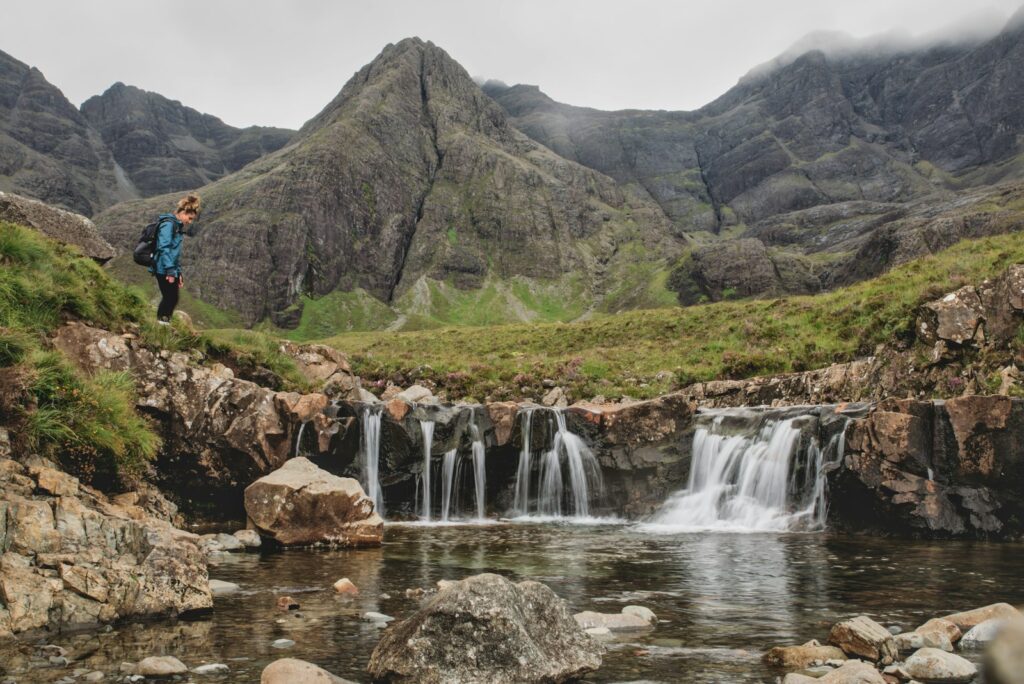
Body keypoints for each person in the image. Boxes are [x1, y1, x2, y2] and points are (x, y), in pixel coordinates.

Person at [152, 193, 201, 324]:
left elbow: (175, 254)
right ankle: (161, 325)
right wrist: (170, 271)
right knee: (170, 297)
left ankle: (163, 324)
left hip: (169, 268)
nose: (189, 222)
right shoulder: (169, 225)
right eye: (189, 218)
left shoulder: (177, 226)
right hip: (163, 268)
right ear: (183, 212)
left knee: (172, 298)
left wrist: (178, 273)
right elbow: (164, 247)